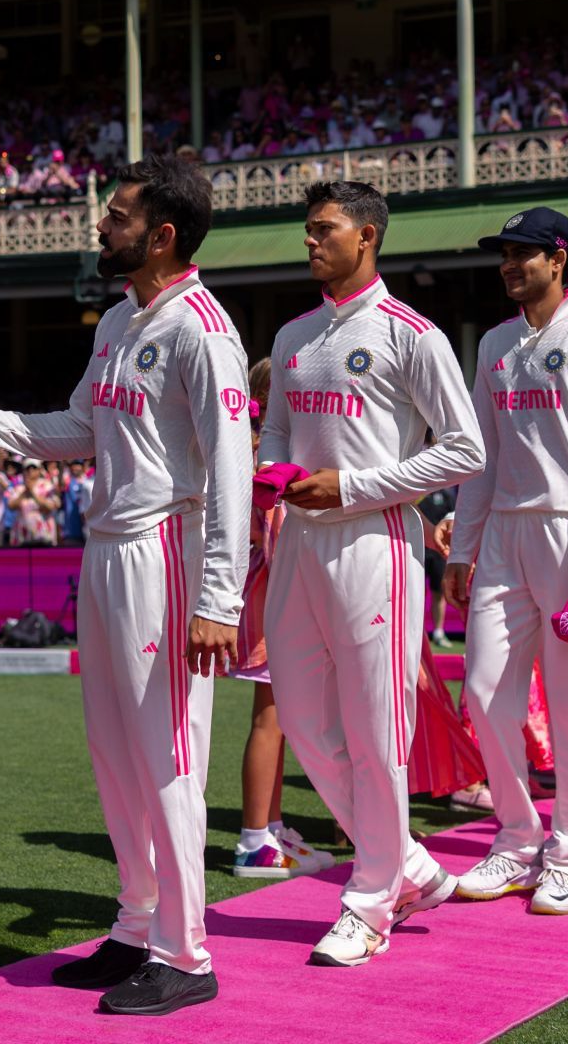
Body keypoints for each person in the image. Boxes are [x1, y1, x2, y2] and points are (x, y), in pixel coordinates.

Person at [0, 154, 247, 1017]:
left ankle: (186, 952)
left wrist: (221, 599)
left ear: (163, 234)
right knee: (114, 751)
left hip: (167, 550)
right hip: (107, 550)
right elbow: (77, 428)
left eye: (117, 214)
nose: (101, 225)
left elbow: (231, 468)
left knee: (168, 754)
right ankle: (137, 927)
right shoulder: (117, 323)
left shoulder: (204, 329)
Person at [258, 179, 486, 963]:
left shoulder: (412, 334)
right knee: (303, 716)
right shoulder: (292, 337)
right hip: (298, 542)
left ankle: (370, 899)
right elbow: (275, 432)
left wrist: (352, 487)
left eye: (324, 229)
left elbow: (465, 448)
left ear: (368, 237)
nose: (311, 242)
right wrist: (271, 480)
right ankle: (410, 864)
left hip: (375, 543)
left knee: (374, 731)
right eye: (308, 229)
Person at [445, 206, 568, 917]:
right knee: (485, 692)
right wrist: (464, 548)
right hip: (502, 537)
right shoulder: (494, 342)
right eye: (503, 256)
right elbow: (481, 460)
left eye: (521, 254)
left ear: (558, 260)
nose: (507, 266)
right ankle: (518, 838)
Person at [232, 357, 334, 883]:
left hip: (273, 594)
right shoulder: (266, 457)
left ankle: (270, 828)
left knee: (281, 718)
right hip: (275, 597)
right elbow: (272, 538)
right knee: (271, 718)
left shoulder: (267, 450)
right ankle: (255, 840)